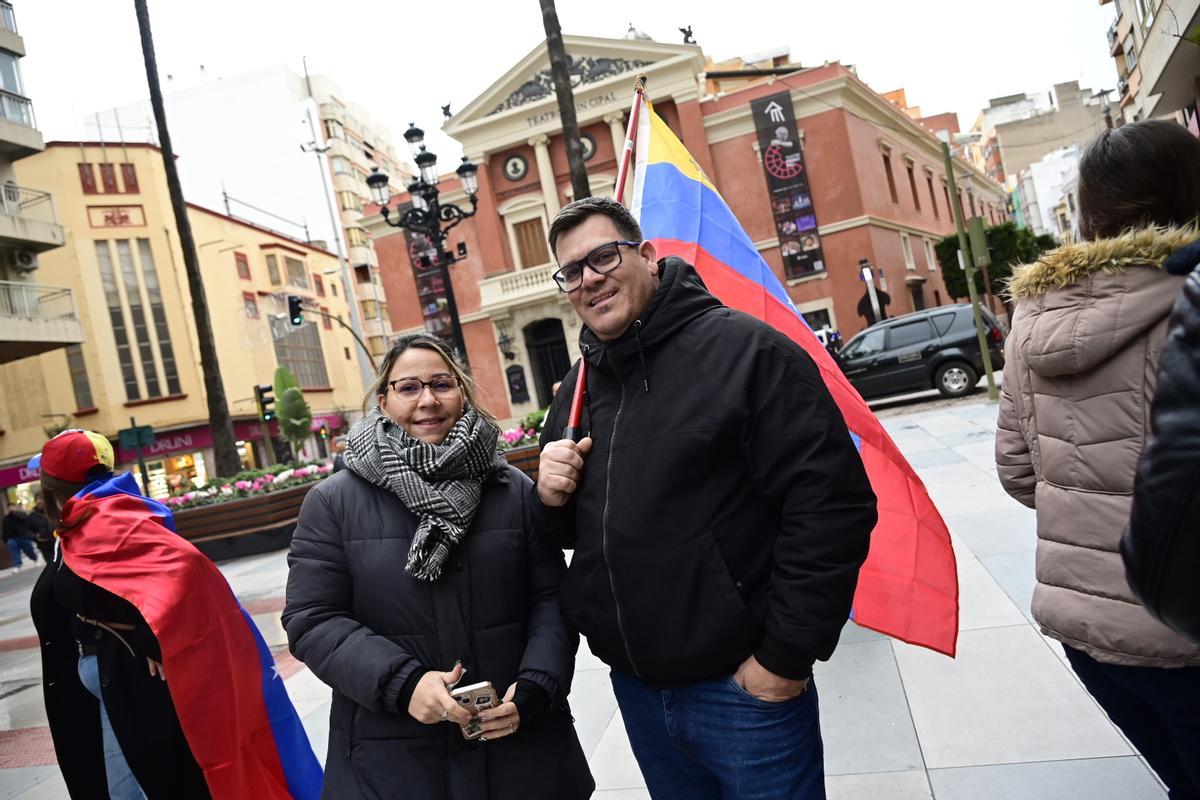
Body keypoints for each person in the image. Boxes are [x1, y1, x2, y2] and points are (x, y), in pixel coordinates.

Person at [536, 196, 877, 799]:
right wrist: (550, 496)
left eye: (604, 257)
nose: (589, 279)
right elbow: (576, 535)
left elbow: (833, 507)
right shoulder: (578, 389)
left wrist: (782, 661)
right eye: (572, 271)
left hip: (745, 696)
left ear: (647, 255)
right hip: (640, 693)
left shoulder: (749, 353)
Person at [283, 333, 593, 800]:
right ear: (384, 401)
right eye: (409, 387)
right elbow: (312, 619)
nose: (427, 400)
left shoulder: (512, 489)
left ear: (461, 392)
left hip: (522, 757)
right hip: (393, 767)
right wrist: (404, 684)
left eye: (441, 384)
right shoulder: (333, 503)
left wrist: (534, 687)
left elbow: (551, 598)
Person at [995, 120, 1200, 799]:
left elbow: (1017, 471)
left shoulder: (1031, 317)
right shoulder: (1188, 299)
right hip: (1182, 630)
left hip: (1084, 632)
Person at [30, 429, 323, 799]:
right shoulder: (83, 521)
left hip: (132, 678)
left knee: (150, 786)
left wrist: (153, 634)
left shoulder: (110, 518)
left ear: (51, 485)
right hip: (104, 676)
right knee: (124, 789)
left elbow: (184, 574)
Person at [1122, 233, 1200, 643]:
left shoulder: (1032, 323)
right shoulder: (1182, 291)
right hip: (1174, 624)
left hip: (1075, 603)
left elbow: (1015, 470)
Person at [3, 504, 37, 571]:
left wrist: (16, 514)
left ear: (15, 507)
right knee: (14, 551)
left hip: (23, 536)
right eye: (10, 507)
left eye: (13, 507)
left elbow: (26, 522)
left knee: (29, 549)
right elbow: (4, 529)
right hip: (12, 538)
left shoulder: (21, 515)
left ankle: (35, 559)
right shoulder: (6, 518)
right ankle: (17, 565)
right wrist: (6, 539)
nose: (11, 508)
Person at [27, 495, 54, 564]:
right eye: (38, 499)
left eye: (42, 498)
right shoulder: (32, 516)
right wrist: (36, 536)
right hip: (44, 545)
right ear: (35, 501)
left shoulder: (53, 511)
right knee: (51, 564)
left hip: (57, 541)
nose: (40, 501)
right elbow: (27, 531)